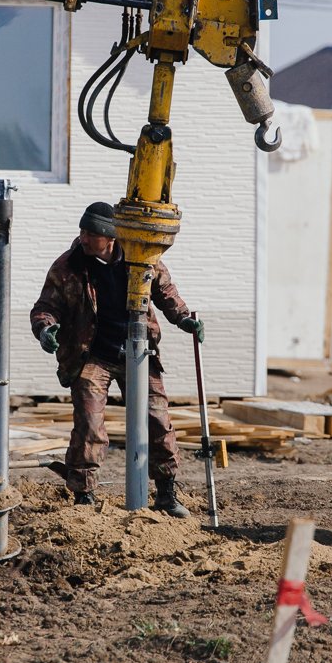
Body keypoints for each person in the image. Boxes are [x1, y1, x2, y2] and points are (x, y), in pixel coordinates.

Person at [30, 201, 204, 517]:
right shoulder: (68, 267)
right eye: (82, 230)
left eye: (90, 232)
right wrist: (46, 329)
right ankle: (84, 495)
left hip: (139, 353)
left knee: (157, 420)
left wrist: (183, 320)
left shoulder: (141, 258)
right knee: (90, 423)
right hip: (92, 354)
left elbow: (166, 293)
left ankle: (166, 493)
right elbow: (45, 307)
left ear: (110, 237)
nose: (83, 237)